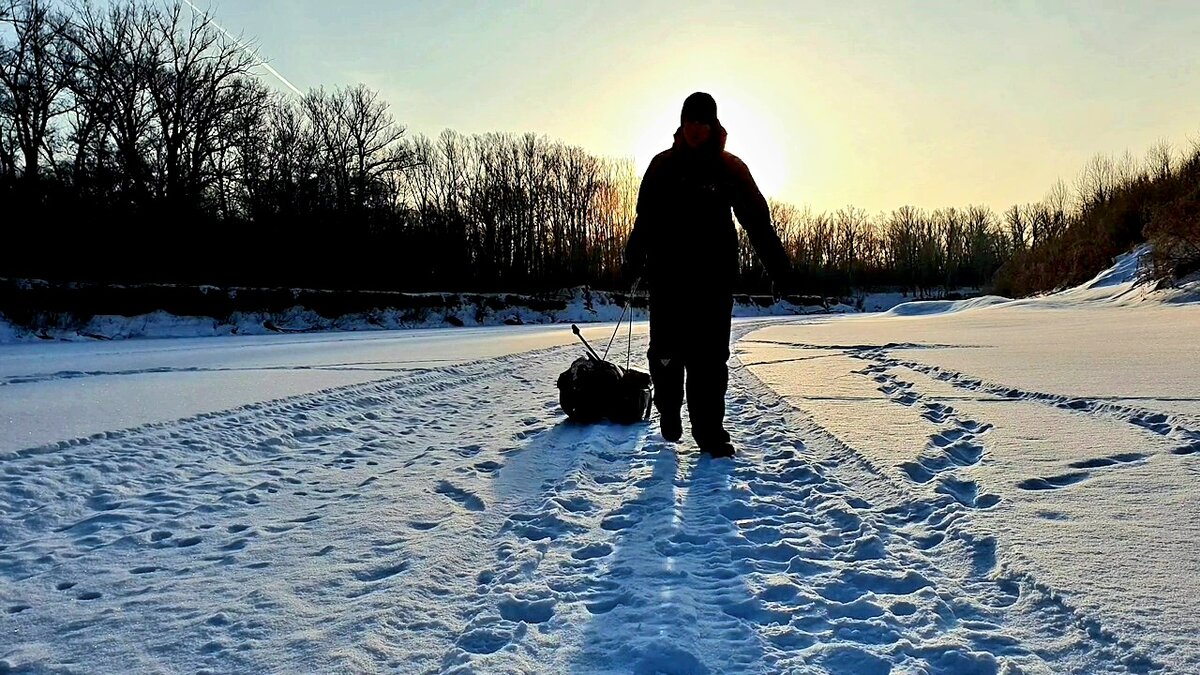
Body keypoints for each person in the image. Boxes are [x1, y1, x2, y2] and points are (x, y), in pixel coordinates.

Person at [624, 91, 793, 458]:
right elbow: (645, 223)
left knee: (710, 361)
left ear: (713, 125)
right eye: (690, 122)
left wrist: (781, 269)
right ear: (681, 125)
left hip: (713, 283)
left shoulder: (730, 168)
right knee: (666, 356)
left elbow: (757, 224)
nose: (696, 129)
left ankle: (709, 433)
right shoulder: (662, 166)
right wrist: (631, 264)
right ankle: (669, 410)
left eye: (703, 122)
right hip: (667, 281)